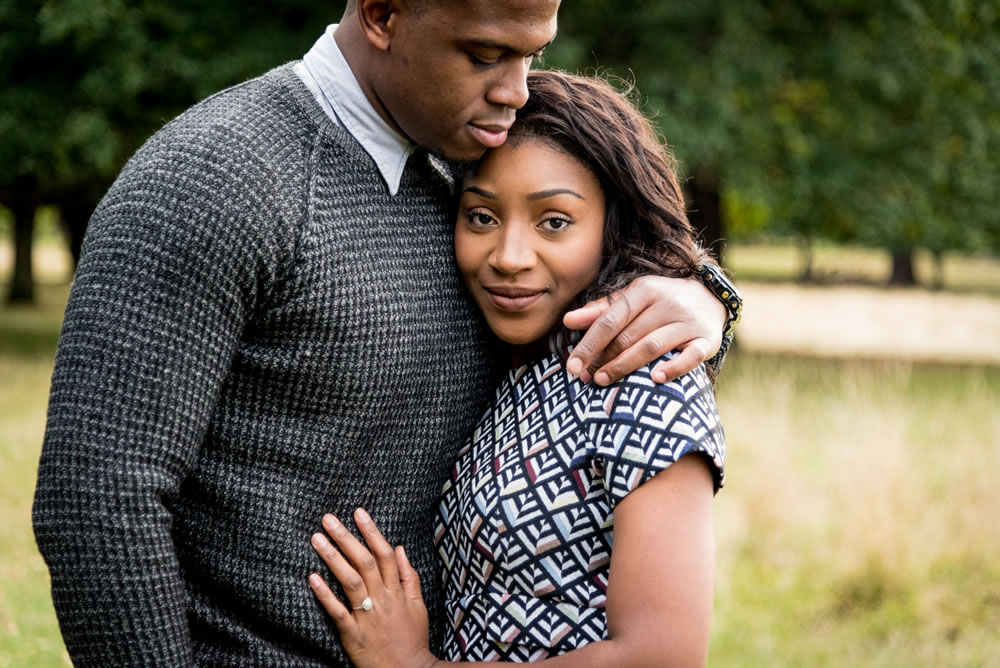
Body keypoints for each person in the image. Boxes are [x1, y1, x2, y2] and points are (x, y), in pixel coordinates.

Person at [32, 1, 734, 666]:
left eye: (532, 55)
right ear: (383, 14)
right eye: (486, 53)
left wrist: (705, 297)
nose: (515, 91)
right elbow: (98, 498)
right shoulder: (216, 177)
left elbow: (595, 215)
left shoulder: (469, 164)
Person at [307, 70, 725, 666]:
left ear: (615, 224)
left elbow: (661, 656)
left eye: (554, 221)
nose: (508, 258)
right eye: (481, 217)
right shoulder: (518, 366)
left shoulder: (645, 379)